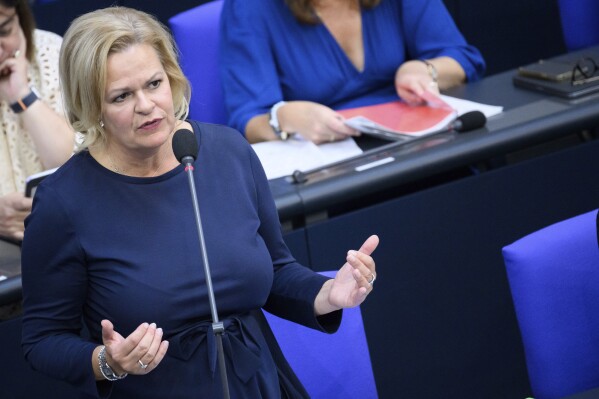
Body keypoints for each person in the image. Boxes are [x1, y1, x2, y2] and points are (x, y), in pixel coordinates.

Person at [20, 7, 379, 398]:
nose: (146, 105)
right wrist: (108, 362)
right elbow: (43, 339)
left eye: (154, 83)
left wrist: (327, 294)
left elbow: (274, 271)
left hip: (259, 384)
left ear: (172, 78)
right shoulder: (64, 203)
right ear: (92, 107)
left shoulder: (228, 152)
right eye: (122, 96)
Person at [219, 0, 486, 144]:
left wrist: (425, 69)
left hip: (423, 145)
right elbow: (249, 119)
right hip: (333, 167)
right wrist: (289, 117)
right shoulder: (248, 6)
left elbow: (462, 58)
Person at [0, 0, 74, 242]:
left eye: (4, 31)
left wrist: (21, 96)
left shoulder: (51, 52)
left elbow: (71, 166)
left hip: (61, 236)